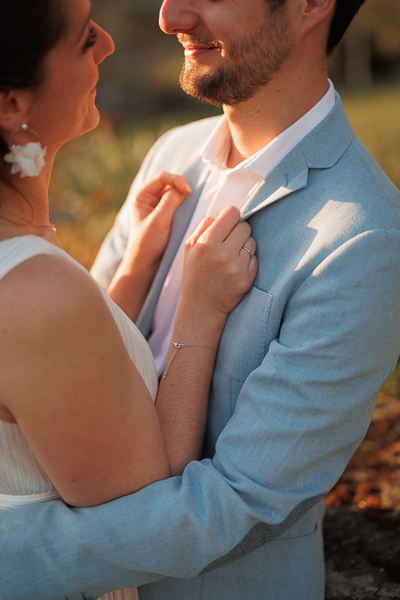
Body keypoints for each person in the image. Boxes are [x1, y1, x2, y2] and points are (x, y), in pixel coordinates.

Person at [1, 0, 400, 598]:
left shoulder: (366, 238)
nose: (170, 17)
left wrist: (14, 554)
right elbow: (74, 363)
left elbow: (242, 504)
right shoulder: (173, 154)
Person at [0, 1, 257, 600]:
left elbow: (69, 382)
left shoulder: (25, 264)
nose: (109, 44)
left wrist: (140, 261)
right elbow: (149, 512)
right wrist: (200, 308)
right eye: (84, 37)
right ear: (12, 103)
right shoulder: (36, 294)